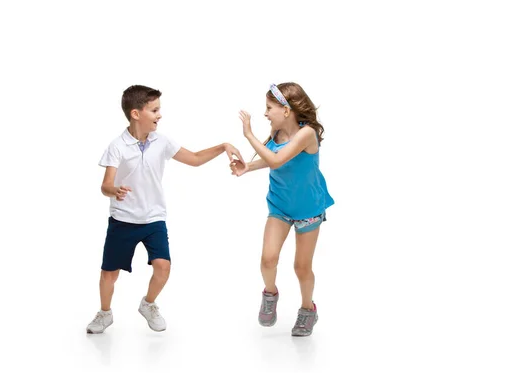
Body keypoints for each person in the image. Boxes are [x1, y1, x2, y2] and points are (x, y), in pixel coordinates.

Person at [87, 84, 244, 334]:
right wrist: (113, 190)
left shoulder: (162, 141)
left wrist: (223, 146)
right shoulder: (117, 146)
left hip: (153, 219)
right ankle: (104, 313)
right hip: (123, 220)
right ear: (136, 114)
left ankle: (148, 304)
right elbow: (106, 184)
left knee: (163, 266)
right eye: (154, 110)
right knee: (109, 274)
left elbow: (193, 159)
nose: (159, 115)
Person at [230, 82, 334, 336]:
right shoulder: (276, 135)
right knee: (268, 259)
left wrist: (248, 135)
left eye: (269, 108)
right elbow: (272, 158)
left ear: (286, 110)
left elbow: (277, 160)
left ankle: (308, 310)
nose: (265, 113)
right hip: (280, 206)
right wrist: (247, 167)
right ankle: (270, 294)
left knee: (301, 267)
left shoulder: (306, 134)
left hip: (308, 209)